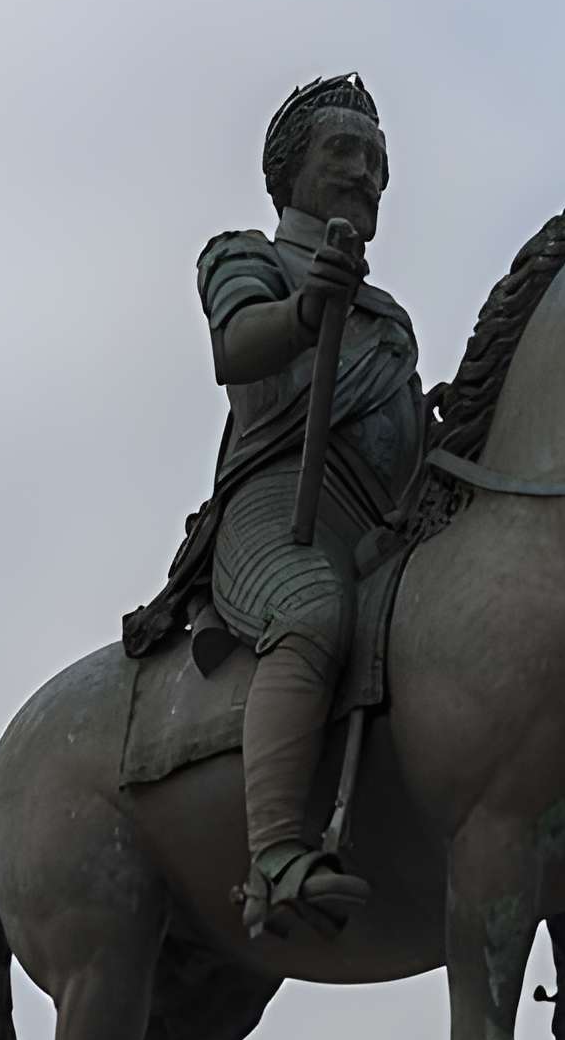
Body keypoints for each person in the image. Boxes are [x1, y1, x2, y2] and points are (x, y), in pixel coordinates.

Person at [125, 73, 423, 938]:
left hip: (381, 531)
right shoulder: (244, 254)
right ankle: (273, 860)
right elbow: (238, 347)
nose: (366, 174)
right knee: (311, 616)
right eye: (345, 153)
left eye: (378, 162)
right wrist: (306, 309)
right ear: (289, 172)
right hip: (278, 508)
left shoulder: (390, 320)